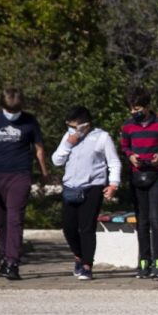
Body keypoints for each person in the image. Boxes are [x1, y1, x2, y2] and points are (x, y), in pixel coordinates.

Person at [0, 87, 48, 281]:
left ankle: (13, 262)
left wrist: (44, 172)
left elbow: (38, 149)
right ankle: (5, 258)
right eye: (9, 112)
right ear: (2, 107)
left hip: (20, 175)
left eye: (15, 112)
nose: (12, 115)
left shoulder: (30, 121)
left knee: (15, 217)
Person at [51, 106, 118, 281]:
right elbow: (57, 161)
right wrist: (68, 143)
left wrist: (113, 184)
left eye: (75, 126)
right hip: (70, 187)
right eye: (69, 126)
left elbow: (114, 162)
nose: (72, 129)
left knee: (87, 228)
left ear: (85, 125)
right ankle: (78, 256)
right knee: (69, 228)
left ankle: (87, 265)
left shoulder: (102, 137)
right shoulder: (68, 137)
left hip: (93, 187)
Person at [119, 87, 158, 280]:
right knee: (141, 220)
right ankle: (143, 261)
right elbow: (125, 146)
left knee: (156, 218)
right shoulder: (127, 126)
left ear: (147, 106)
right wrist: (130, 156)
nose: (134, 112)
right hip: (137, 175)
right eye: (132, 109)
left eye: (138, 108)